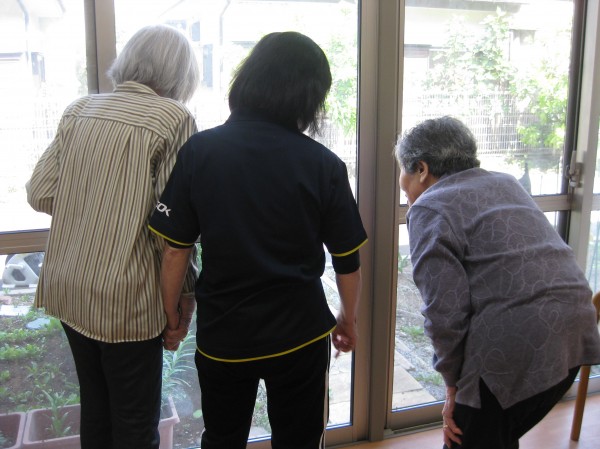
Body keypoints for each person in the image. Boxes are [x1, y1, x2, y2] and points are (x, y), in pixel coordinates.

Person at [148, 31, 367, 448]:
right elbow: (347, 259)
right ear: (309, 97)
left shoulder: (200, 152)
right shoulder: (323, 164)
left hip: (225, 336)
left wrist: (171, 318)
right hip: (300, 335)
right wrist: (347, 320)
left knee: (223, 439)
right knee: (300, 440)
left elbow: (176, 249)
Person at [26, 24, 200, 449]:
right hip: (126, 298)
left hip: (69, 286)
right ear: (180, 73)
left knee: (97, 408)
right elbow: (175, 230)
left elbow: (40, 192)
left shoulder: (79, 109)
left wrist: (96, 207)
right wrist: (182, 303)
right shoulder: (173, 118)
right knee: (135, 424)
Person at [394, 116, 600, 449]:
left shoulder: (430, 206)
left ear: (421, 169)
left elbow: (444, 312)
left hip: (514, 346)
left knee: (469, 438)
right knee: (496, 434)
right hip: (575, 334)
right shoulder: (506, 183)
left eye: (402, 172)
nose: (402, 186)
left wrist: (453, 386)